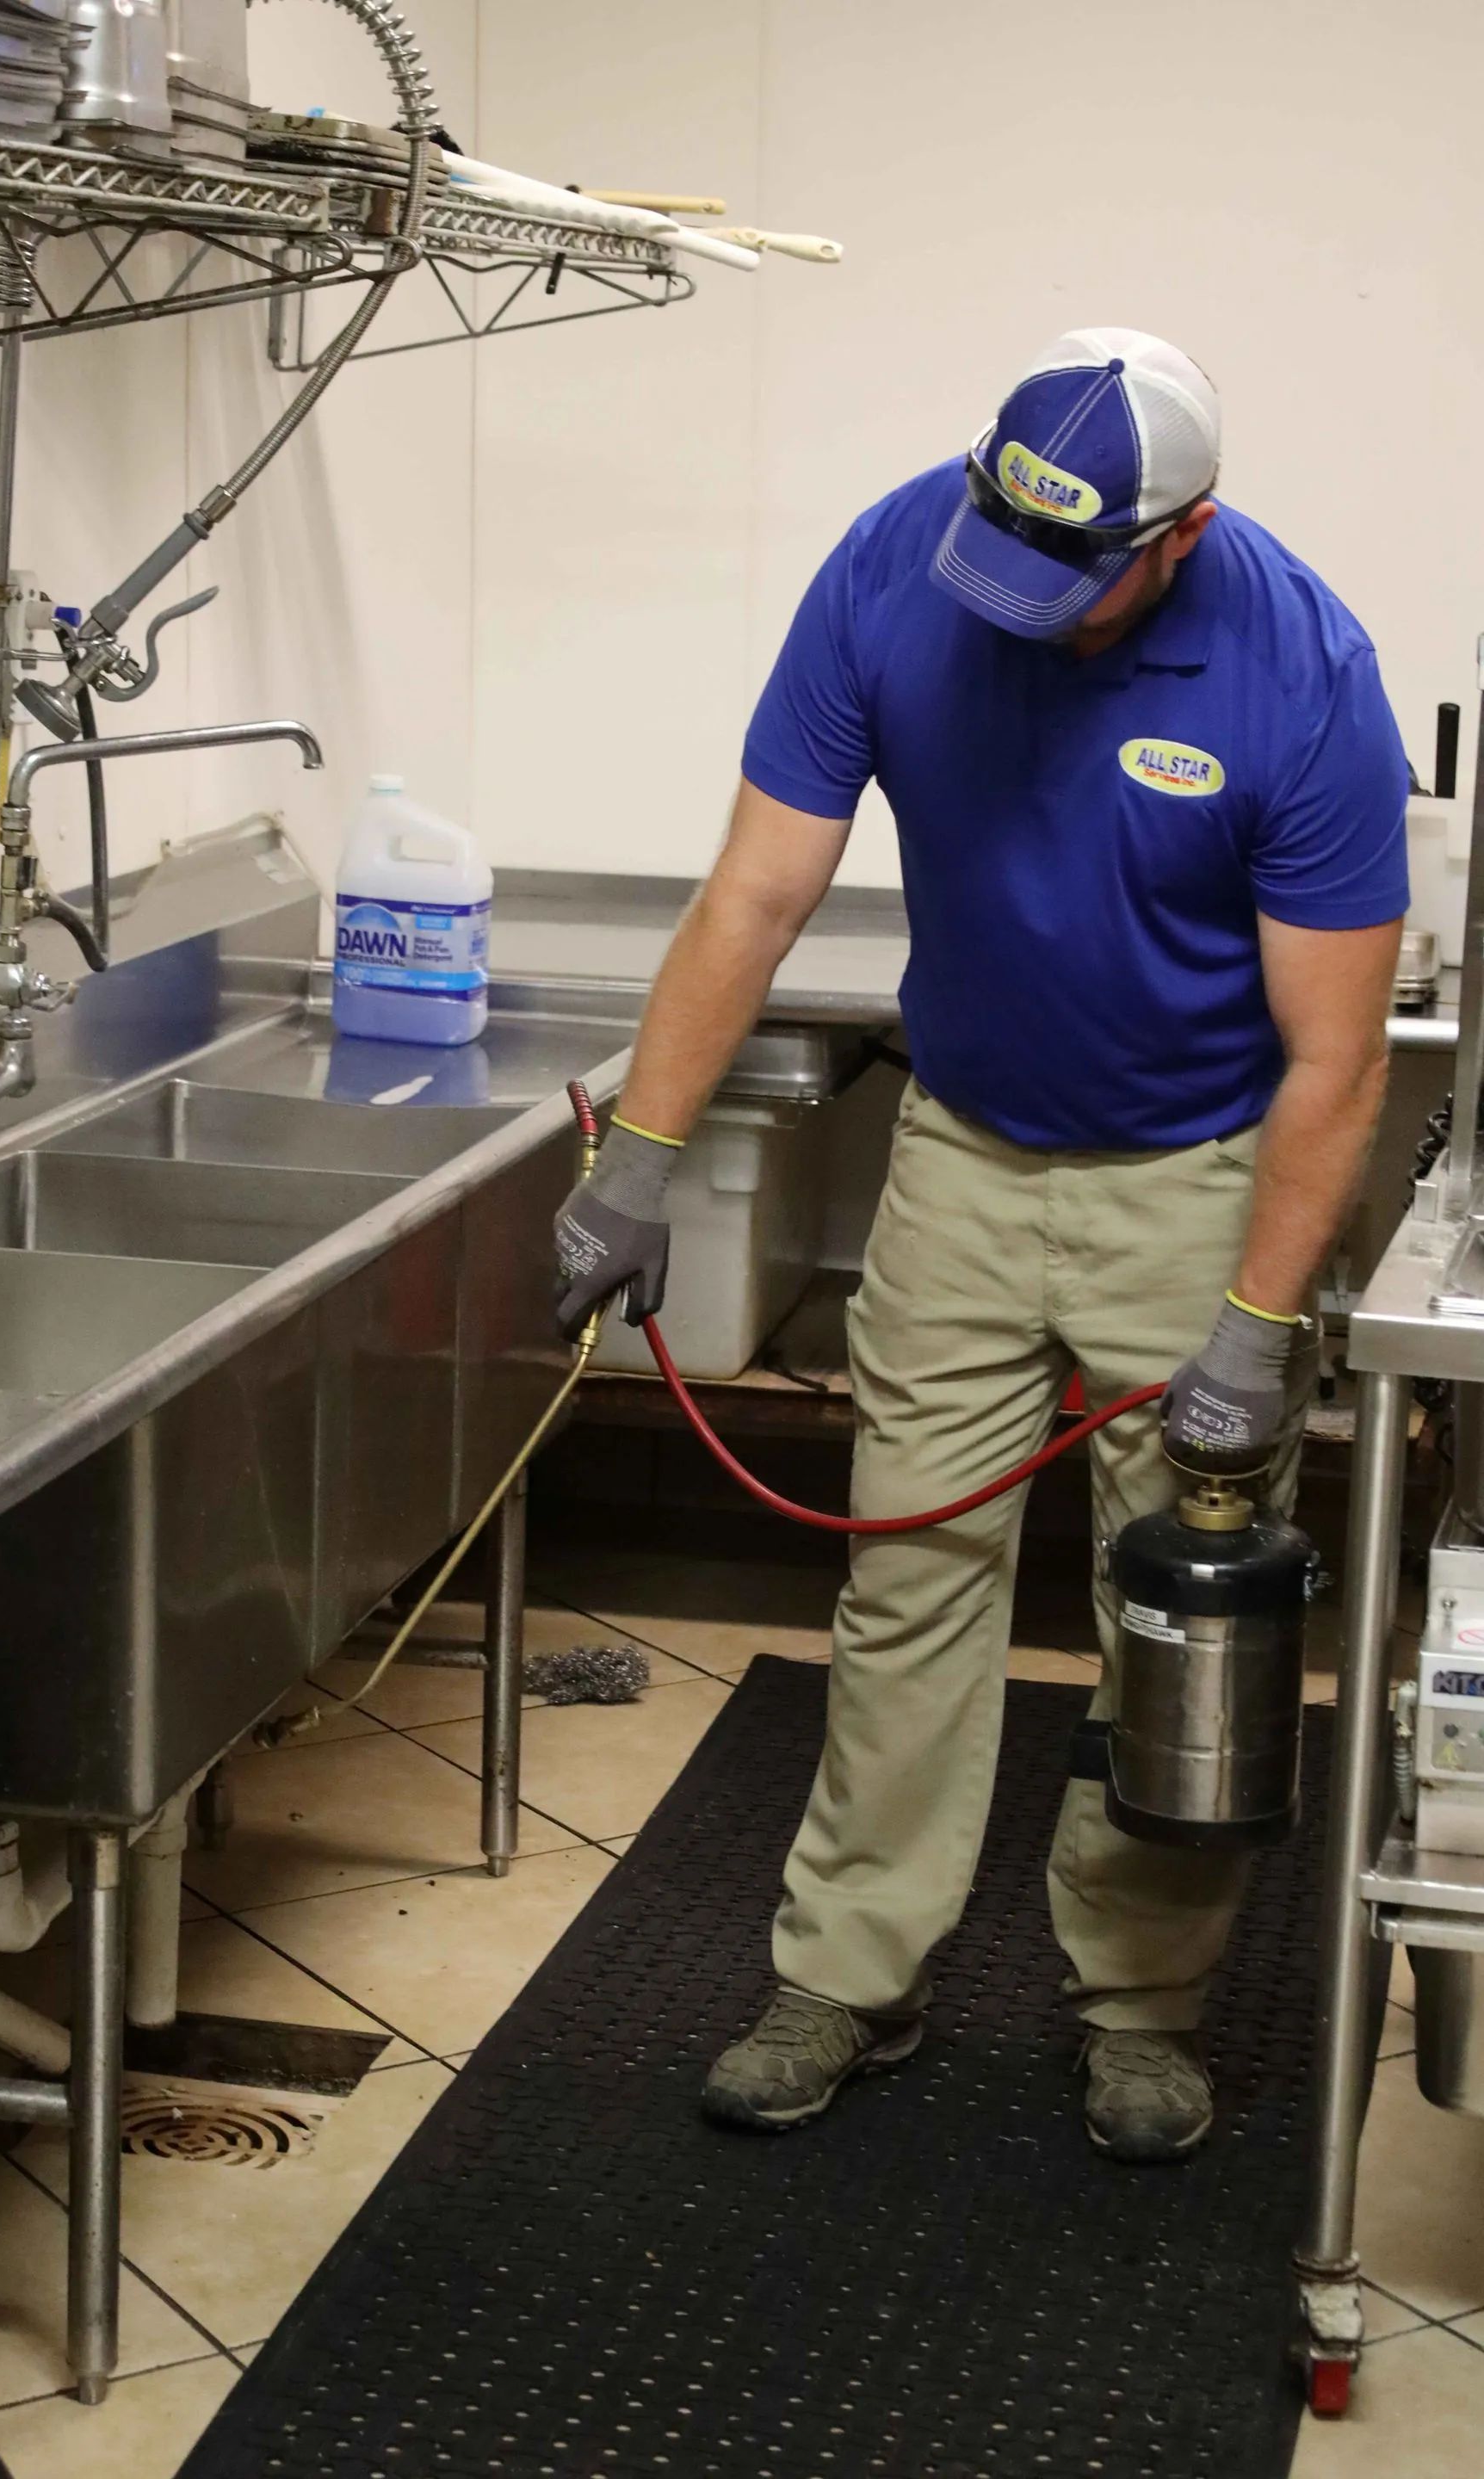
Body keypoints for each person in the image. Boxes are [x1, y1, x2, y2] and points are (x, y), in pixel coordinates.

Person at [553, 328, 1407, 2162]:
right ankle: (851, 1978)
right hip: (961, 1155)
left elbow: (1336, 1055)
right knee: (908, 1580)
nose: (1026, 612)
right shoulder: (891, 567)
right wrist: (638, 1160)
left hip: (1198, 1180)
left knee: (1178, 1616)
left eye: (1077, 580)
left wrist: (1260, 1322)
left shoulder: (1303, 671)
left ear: (1180, 537)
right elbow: (757, 891)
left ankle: (1145, 2003)